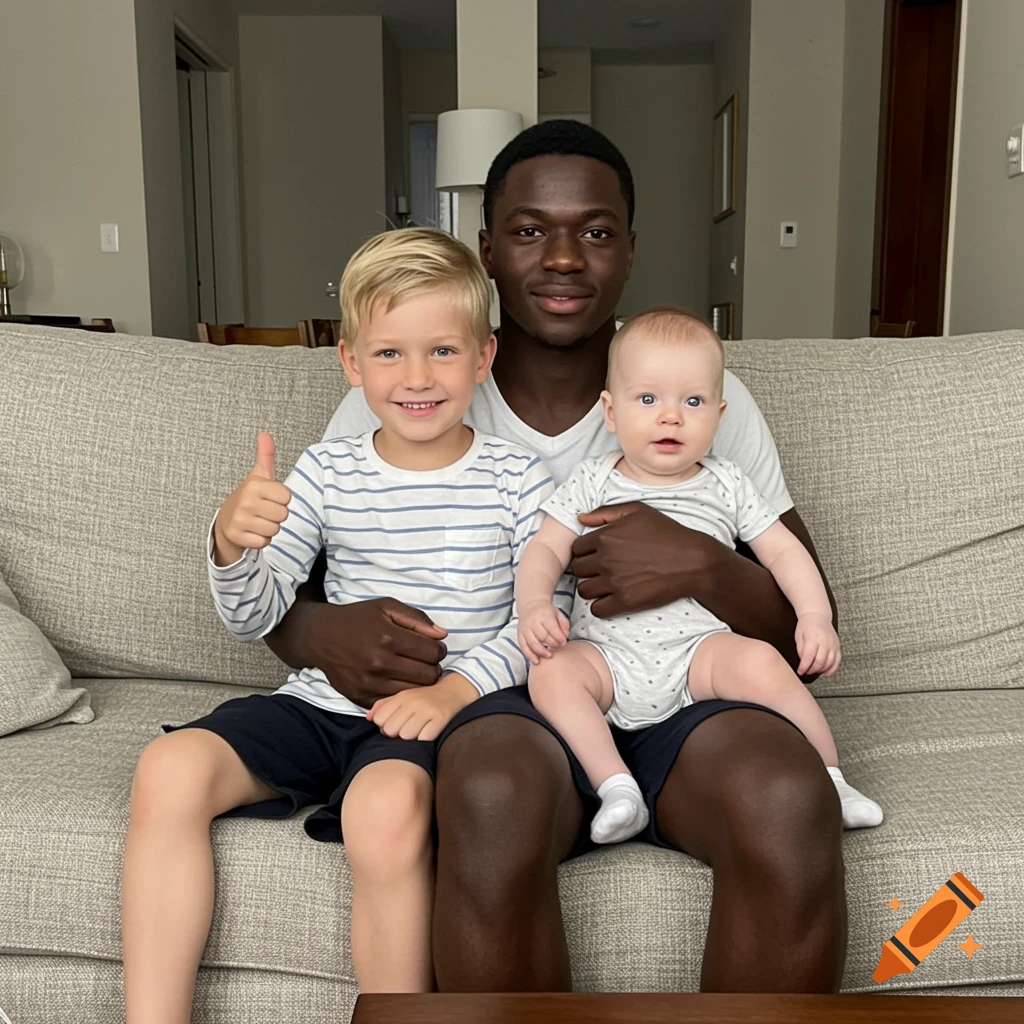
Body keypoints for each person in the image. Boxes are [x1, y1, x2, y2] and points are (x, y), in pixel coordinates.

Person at [265, 120, 850, 992]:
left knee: (788, 797)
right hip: (513, 707)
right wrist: (320, 637)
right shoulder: (412, 390)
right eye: (531, 230)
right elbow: (287, 600)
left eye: (597, 231)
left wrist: (702, 564)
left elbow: (805, 631)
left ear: (630, 249)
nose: (566, 258)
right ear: (489, 250)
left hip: (685, 702)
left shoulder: (707, 400)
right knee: (493, 794)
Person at [121, 228, 562, 1020]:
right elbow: (255, 616)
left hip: (429, 722)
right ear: (351, 363)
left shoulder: (517, 478)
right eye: (389, 354)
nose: (417, 378)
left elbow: (551, 617)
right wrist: (229, 544)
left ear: (485, 358)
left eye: (442, 352)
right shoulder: (326, 469)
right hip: (321, 705)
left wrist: (459, 689)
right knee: (169, 769)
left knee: (382, 811)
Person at [516, 306, 883, 845]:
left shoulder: (726, 482)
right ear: (610, 412)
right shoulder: (592, 480)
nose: (671, 417)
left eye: (693, 401)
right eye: (648, 400)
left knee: (760, 660)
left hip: (699, 655)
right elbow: (546, 547)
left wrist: (815, 617)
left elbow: (782, 550)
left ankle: (832, 778)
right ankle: (616, 786)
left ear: (719, 413)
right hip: (607, 659)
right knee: (549, 674)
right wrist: (535, 606)